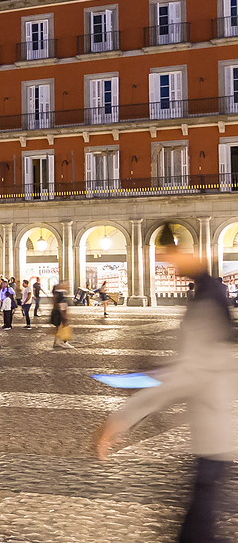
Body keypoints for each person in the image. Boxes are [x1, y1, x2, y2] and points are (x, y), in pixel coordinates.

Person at [95, 223, 237, 543]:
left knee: (198, 530)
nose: (167, 261)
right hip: (213, 442)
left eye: (171, 253)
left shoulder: (207, 304)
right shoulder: (209, 294)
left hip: (213, 445)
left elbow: (187, 375)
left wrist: (121, 418)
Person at [51, 284, 73, 348]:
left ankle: (56, 342)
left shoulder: (56, 294)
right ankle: (65, 342)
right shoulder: (60, 294)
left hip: (56, 313)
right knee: (64, 328)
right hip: (59, 314)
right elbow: (61, 305)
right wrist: (64, 315)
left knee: (58, 329)